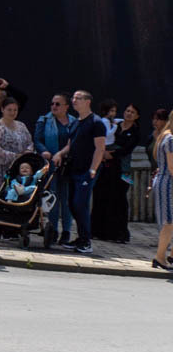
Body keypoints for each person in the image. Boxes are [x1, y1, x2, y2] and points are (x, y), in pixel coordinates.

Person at [55, 89, 106, 254]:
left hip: (87, 171)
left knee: (80, 203)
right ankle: (81, 237)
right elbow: (71, 144)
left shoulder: (96, 122)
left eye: (78, 98)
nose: (74, 101)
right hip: (73, 169)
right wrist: (60, 153)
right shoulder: (75, 122)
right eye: (73, 98)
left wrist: (93, 169)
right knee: (72, 204)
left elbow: (100, 148)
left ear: (87, 102)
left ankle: (86, 241)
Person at [0, 97, 33, 240]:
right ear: (2, 110)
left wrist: (26, 153)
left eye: (15, 110)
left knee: (14, 197)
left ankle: (12, 228)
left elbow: (29, 142)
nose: (12, 112)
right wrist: (14, 156)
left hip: (16, 169)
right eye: (9, 109)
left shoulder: (21, 126)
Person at [32, 94, 77, 244]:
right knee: (52, 197)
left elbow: (76, 142)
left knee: (67, 199)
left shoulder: (74, 122)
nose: (54, 106)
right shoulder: (44, 120)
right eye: (52, 103)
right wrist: (44, 150)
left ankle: (66, 231)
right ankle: (52, 230)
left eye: (58, 104)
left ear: (66, 107)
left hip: (68, 165)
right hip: (51, 164)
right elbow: (37, 139)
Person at [95, 102, 142, 244]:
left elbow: (127, 149)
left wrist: (111, 154)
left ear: (137, 116)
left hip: (124, 170)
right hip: (108, 167)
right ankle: (101, 231)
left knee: (120, 198)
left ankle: (120, 233)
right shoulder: (115, 125)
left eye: (132, 112)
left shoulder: (135, 131)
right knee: (103, 195)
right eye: (127, 110)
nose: (129, 114)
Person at [151, 112, 173, 271]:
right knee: (169, 223)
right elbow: (172, 167)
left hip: (165, 181)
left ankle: (170, 256)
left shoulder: (165, 136)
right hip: (168, 183)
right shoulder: (170, 138)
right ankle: (160, 257)